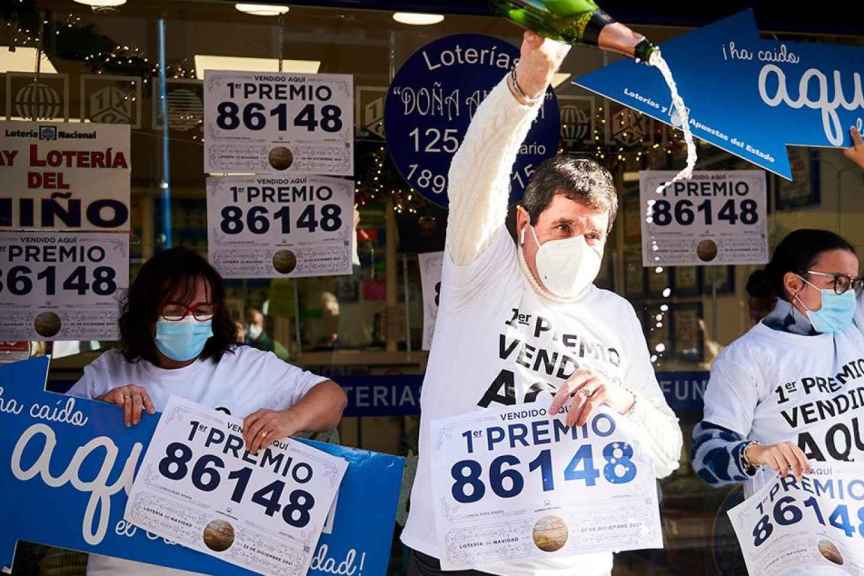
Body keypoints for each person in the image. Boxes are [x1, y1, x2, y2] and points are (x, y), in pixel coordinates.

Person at [401, 31, 684, 576]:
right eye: (563, 227)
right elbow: (474, 175)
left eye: (593, 233)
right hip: (458, 558)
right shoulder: (484, 271)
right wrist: (527, 88)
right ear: (524, 225)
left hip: (569, 563)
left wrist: (621, 400)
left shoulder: (615, 316)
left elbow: (667, 453)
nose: (580, 244)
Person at [691, 128, 864, 564]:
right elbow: (707, 456)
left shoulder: (857, 329)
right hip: (798, 550)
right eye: (836, 282)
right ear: (794, 284)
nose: (849, 293)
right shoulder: (747, 357)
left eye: (853, 283)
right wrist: (754, 453)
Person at [67, 246, 347, 576]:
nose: (189, 320)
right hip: (123, 561)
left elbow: (333, 398)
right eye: (174, 310)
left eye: (202, 310)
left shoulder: (246, 366)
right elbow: (60, 443)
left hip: (224, 561)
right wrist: (102, 410)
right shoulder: (109, 370)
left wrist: (290, 419)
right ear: (146, 313)